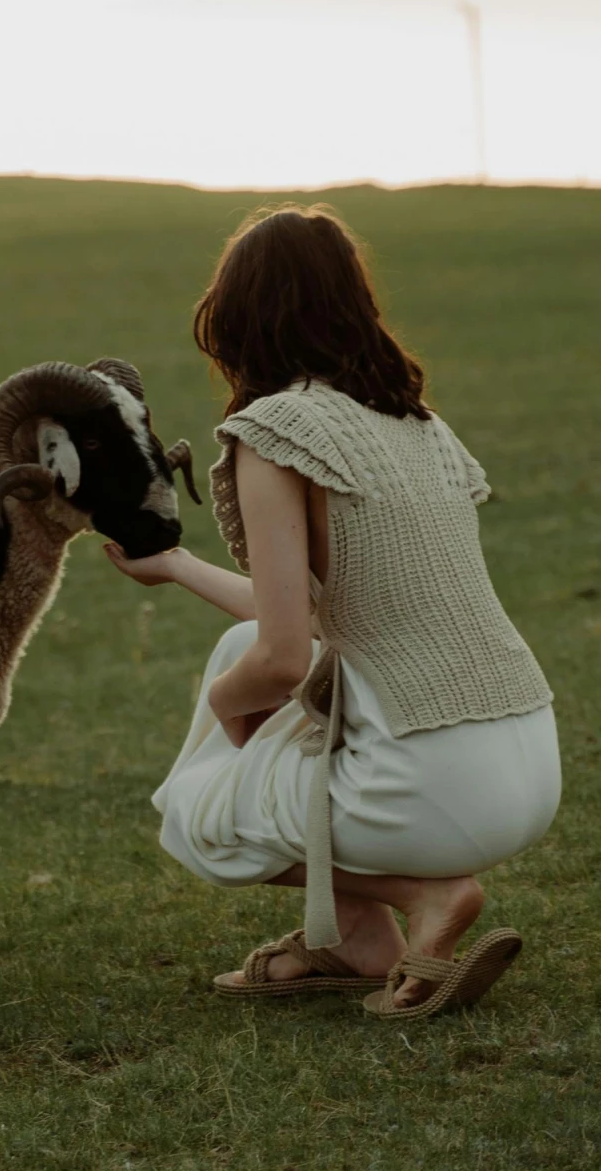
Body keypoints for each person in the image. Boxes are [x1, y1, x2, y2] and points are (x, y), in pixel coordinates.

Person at [106, 205, 559, 1017]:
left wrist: (221, 709)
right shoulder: (416, 423)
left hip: (433, 782)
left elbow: (284, 657)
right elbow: (314, 618)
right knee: (239, 648)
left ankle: (423, 895)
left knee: (193, 816)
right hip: (525, 759)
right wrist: (173, 565)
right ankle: (356, 940)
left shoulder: (272, 430)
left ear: (238, 315)